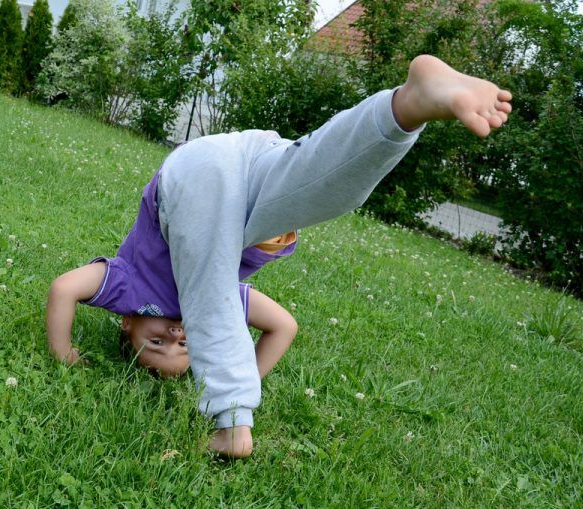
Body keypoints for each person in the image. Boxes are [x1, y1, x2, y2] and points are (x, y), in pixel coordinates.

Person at [46, 55, 513, 458]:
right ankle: (407, 107)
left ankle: (232, 423)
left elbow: (64, 288)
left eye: (156, 342)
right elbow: (284, 326)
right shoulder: (229, 299)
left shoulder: (129, 287)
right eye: (185, 347)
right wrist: (248, 372)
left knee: (206, 287)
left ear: (127, 323)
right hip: (251, 162)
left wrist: (64, 353)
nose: (175, 334)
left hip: (192, 174)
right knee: (321, 183)